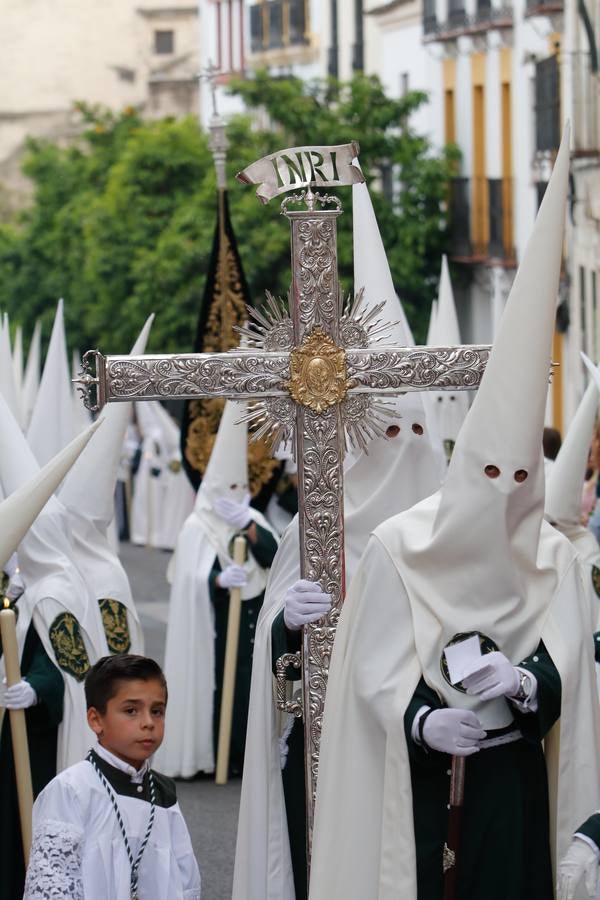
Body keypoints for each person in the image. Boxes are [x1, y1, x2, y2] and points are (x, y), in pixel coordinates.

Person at [308, 129, 600, 900]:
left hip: (511, 778)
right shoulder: (399, 548)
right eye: (489, 473)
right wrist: (418, 718)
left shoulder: (555, 556)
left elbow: (570, 656)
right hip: (423, 780)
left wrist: (529, 682)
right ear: (464, 467)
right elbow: (369, 666)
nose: (504, 489)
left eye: (520, 477)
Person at [232, 175, 446, 900]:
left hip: (418, 750)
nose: (405, 446)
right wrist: (281, 629)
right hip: (322, 751)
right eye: (389, 429)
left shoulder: (447, 532)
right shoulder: (315, 523)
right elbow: (269, 652)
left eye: (418, 431)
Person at [0, 422, 104, 900]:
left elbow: (67, 672)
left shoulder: (53, 595)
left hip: (41, 739)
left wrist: (36, 686)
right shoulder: (41, 588)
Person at [155, 400, 278, 778]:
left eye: (241, 486)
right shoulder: (197, 527)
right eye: (228, 487)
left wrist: (251, 529)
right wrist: (217, 580)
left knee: (244, 691)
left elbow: (274, 556)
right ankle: (210, 753)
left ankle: (241, 756)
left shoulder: (251, 518)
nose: (235, 493)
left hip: (247, 629)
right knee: (211, 689)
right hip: (212, 624)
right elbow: (187, 576)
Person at [23, 654, 201, 899]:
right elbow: (53, 882)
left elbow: (185, 878)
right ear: (96, 720)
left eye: (157, 711)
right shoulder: (71, 790)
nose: (148, 722)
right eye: (131, 711)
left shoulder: (163, 792)